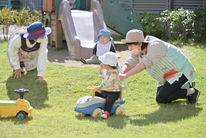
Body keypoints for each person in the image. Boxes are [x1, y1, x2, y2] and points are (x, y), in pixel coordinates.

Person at [119, 29, 200, 104]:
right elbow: (129, 63)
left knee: (161, 97)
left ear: (140, 43)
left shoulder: (155, 46)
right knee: (160, 98)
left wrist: (125, 75)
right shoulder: (138, 51)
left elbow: (143, 64)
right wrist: (120, 73)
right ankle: (186, 86)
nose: (129, 49)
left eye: (131, 46)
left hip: (180, 71)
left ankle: (191, 91)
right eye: (128, 46)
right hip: (168, 75)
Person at [95, 52, 121, 119]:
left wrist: (100, 87)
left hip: (114, 92)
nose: (101, 63)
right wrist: (100, 69)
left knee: (109, 100)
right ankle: (97, 108)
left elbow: (108, 83)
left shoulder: (114, 72)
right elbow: (101, 76)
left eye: (102, 62)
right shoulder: (106, 71)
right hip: (106, 90)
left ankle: (106, 112)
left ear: (108, 64)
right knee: (96, 93)